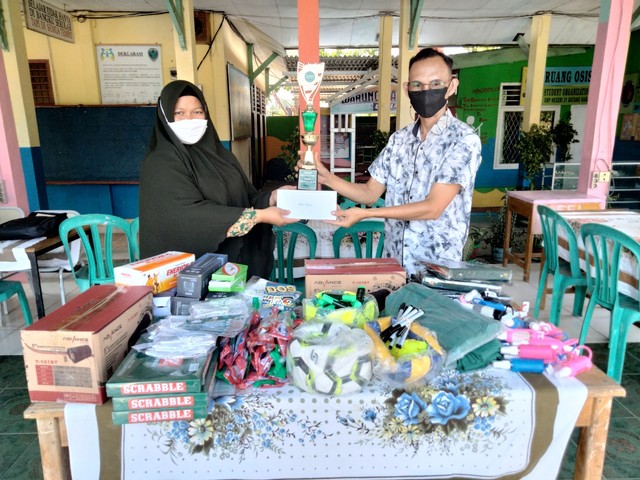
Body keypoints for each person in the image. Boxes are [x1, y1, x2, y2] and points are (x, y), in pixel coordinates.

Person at [300, 47, 482, 276]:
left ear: (451, 86)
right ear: (407, 90)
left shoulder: (463, 140)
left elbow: (433, 208)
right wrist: (327, 178)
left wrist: (365, 214)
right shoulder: (399, 140)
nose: (426, 91)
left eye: (436, 84)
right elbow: (369, 192)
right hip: (395, 264)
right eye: (417, 85)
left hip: (436, 267)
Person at [139, 80, 298, 279]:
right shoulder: (160, 162)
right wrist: (259, 216)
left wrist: (272, 198)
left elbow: (244, 198)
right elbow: (185, 217)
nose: (189, 119)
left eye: (197, 112)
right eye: (179, 113)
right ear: (165, 116)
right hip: (187, 276)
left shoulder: (221, 156)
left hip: (232, 269)